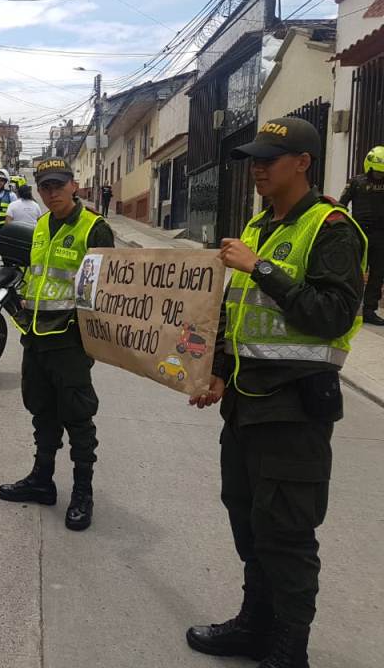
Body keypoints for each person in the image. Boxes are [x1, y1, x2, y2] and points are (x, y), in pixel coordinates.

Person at [187, 118, 366, 668]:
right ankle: (253, 623)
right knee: (247, 521)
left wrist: (260, 267)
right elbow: (238, 313)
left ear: (303, 163)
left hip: (295, 408)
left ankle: (289, 649)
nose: (258, 167)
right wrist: (217, 367)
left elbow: (332, 315)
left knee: (286, 534)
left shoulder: (332, 227)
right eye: (254, 158)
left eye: (270, 157)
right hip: (246, 403)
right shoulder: (261, 225)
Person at [0, 157, 113, 531]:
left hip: (70, 341)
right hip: (36, 336)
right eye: (45, 186)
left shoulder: (95, 228)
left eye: (58, 186)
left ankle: (83, 492)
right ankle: (42, 480)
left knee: (78, 416)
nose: (52, 193)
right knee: (42, 411)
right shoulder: (42, 224)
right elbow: (38, 277)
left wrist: (85, 338)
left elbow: (106, 291)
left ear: (74, 186)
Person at [339, 145, 384, 326]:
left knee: (378, 273)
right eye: (378, 173)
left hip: (381, 235)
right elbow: (342, 205)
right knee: (354, 271)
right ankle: (349, 307)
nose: (380, 176)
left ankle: (369, 310)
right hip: (359, 233)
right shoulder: (356, 182)